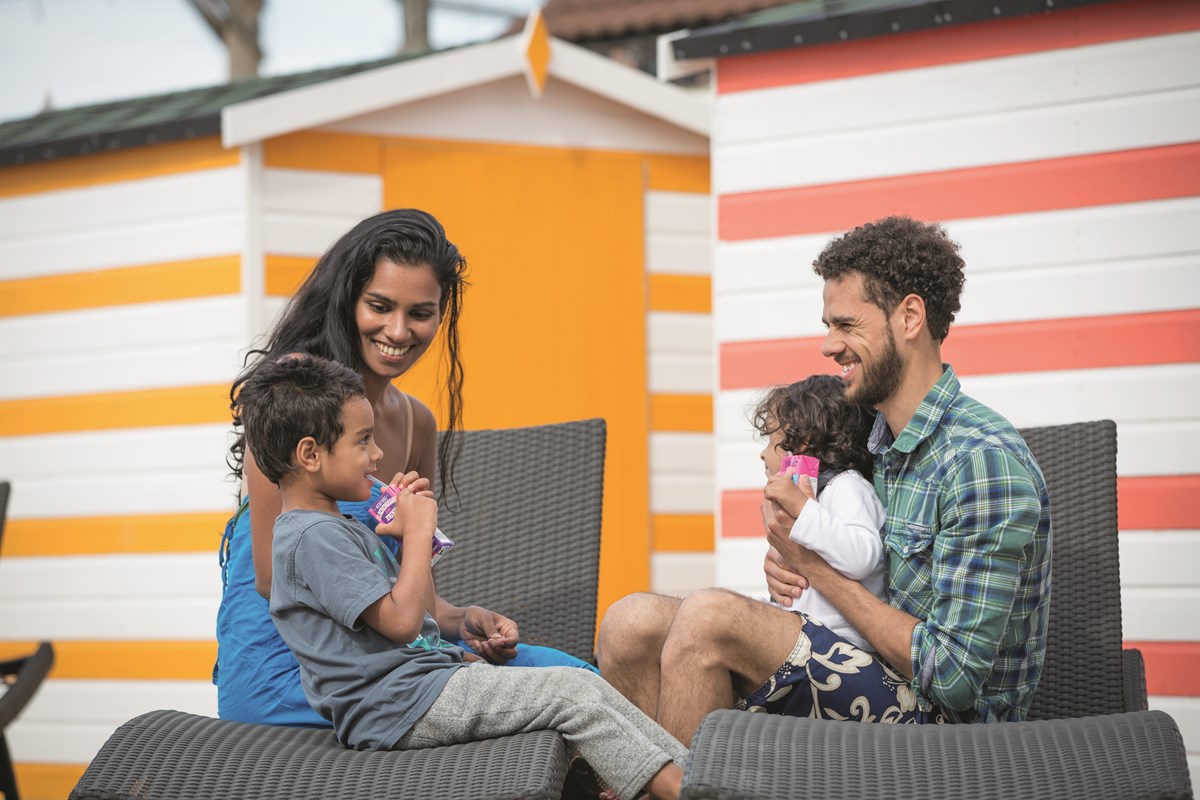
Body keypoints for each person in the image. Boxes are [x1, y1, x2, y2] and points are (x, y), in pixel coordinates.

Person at [597, 215, 1051, 744]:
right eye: (827, 326)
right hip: (860, 663)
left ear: (909, 317)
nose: (829, 346)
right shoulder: (873, 441)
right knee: (630, 624)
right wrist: (791, 565)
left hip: (947, 729)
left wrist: (815, 564)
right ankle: (665, 779)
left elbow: (952, 679)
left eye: (846, 325)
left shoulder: (980, 459)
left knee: (709, 617)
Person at [234, 354, 688, 800]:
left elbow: (408, 633)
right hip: (397, 708)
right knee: (570, 695)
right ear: (310, 454)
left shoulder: (335, 528)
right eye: (363, 441)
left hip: (418, 690)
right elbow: (400, 623)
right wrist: (415, 532)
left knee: (580, 686)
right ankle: (681, 792)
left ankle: (691, 775)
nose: (377, 454)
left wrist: (417, 548)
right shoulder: (311, 538)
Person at [215, 209, 595, 729]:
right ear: (347, 299)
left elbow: (420, 596)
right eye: (379, 306)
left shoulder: (417, 422)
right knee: (560, 697)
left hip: (393, 659)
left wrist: (464, 622)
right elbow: (270, 577)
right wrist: (431, 655)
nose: (398, 330)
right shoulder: (291, 397)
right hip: (296, 673)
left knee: (579, 675)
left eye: (420, 312)